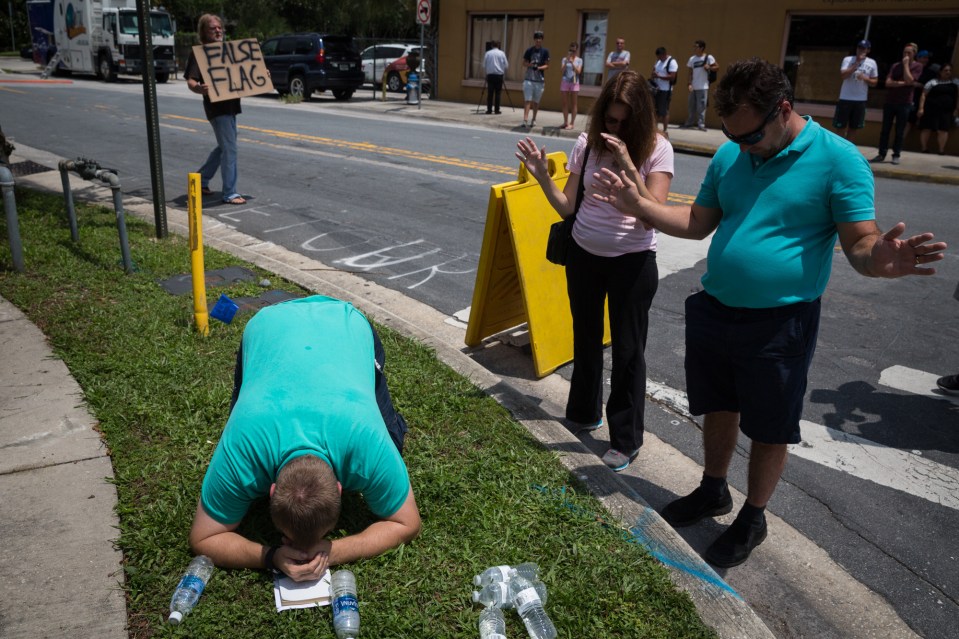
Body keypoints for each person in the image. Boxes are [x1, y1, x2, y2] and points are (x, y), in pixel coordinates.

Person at [591, 58, 946, 566]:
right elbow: (696, 221)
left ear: (783, 110)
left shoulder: (839, 160)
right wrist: (640, 207)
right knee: (718, 406)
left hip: (780, 323)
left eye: (749, 135)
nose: (739, 145)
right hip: (717, 309)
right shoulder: (733, 153)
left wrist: (880, 262)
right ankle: (714, 488)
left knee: (770, 425)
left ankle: (753, 516)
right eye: (730, 135)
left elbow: (863, 244)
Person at [189, 295, 421, 582]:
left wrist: (333, 551)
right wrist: (269, 556)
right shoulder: (242, 447)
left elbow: (409, 523)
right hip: (267, 328)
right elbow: (202, 538)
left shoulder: (367, 442)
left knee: (393, 441)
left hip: (346, 324)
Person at [514, 71, 674, 472]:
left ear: (639, 121)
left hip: (632, 262)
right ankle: (584, 413)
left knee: (627, 351)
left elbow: (652, 215)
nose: (614, 129)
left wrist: (626, 164)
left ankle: (625, 438)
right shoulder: (587, 143)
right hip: (584, 255)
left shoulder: (658, 150)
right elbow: (568, 206)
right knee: (584, 340)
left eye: (623, 123)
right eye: (609, 120)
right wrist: (540, 176)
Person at [184, 14, 246, 205]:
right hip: (217, 109)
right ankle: (230, 193)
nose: (218, 31)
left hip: (231, 106)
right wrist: (198, 88)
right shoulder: (201, 53)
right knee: (230, 149)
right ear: (204, 32)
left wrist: (263, 73)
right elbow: (191, 80)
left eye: (220, 28)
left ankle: (201, 180)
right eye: (213, 28)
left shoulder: (228, 51)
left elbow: (246, 72)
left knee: (224, 147)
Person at [871, 43, 923, 165]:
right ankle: (881, 153)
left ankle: (896, 154)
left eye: (909, 53)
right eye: (904, 52)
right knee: (885, 130)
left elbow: (910, 80)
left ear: (914, 54)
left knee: (900, 130)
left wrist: (905, 65)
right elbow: (888, 83)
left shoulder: (917, 66)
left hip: (904, 103)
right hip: (890, 101)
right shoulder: (895, 66)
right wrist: (903, 83)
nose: (906, 55)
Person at [833, 40, 878, 141]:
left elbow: (875, 82)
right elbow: (843, 75)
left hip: (860, 99)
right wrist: (856, 63)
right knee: (840, 126)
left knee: (854, 127)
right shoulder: (848, 59)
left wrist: (865, 78)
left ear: (868, 50)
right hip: (845, 98)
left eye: (863, 48)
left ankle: (848, 149)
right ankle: (839, 148)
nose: (861, 50)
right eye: (859, 47)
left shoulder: (872, 63)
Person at [917, 63, 958, 155]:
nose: (948, 72)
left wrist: (956, 109)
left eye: (950, 70)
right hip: (930, 109)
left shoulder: (955, 82)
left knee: (943, 130)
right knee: (926, 128)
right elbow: (923, 94)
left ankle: (941, 150)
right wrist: (921, 108)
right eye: (945, 70)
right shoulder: (932, 82)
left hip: (947, 111)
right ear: (940, 72)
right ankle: (924, 148)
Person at [681, 40, 718, 131]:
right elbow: (690, 73)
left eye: (696, 46)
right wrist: (689, 84)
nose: (694, 48)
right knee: (691, 106)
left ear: (701, 48)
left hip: (703, 86)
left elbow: (717, 67)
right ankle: (689, 122)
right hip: (693, 86)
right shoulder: (692, 59)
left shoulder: (709, 57)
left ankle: (701, 124)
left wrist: (709, 67)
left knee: (701, 107)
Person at [522, 31, 550, 129]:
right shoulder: (529, 50)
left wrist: (538, 67)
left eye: (540, 38)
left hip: (539, 80)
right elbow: (524, 63)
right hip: (529, 79)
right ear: (534, 40)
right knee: (527, 100)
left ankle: (533, 119)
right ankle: (525, 120)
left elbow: (547, 65)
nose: (538, 40)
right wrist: (530, 65)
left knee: (536, 102)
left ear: (542, 40)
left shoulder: (545, 51)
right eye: (537, 38)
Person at [652, 46, 680, 137]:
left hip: (666, 90)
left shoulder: (672, 62)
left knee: (664, 111)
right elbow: (654, 71)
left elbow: (672, 77)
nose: (658, 59)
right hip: (657, 89)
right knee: (655, 111)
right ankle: (655, 129)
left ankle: (665, 130)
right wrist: (653, 75)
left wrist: (659, 76)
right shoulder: (658, 61)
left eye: (659, 57)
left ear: (664, 54)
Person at [560, 42, 583, 129]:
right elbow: (562, 71)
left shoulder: (579, 60)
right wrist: (566, 62)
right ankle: (565, 122)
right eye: (570, 50)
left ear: (576, 51)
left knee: (574, 103)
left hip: (574, 82)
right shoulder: (564, 59)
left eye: (573, 50)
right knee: (564, 103)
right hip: (565, 81)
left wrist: (573, 62)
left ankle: (572, 123)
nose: (572, 52)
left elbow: (578, 71)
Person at [483, 40, 509, 115]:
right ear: (498, 46)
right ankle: (497, 110)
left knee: (490, 93)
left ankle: (489, 110)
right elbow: (506, 65)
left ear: (491, 45)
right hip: (499, 75)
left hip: (490, 75)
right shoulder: (502, 53)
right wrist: (501, 67)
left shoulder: (488, 53)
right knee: (498, 93)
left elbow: (484, 65)